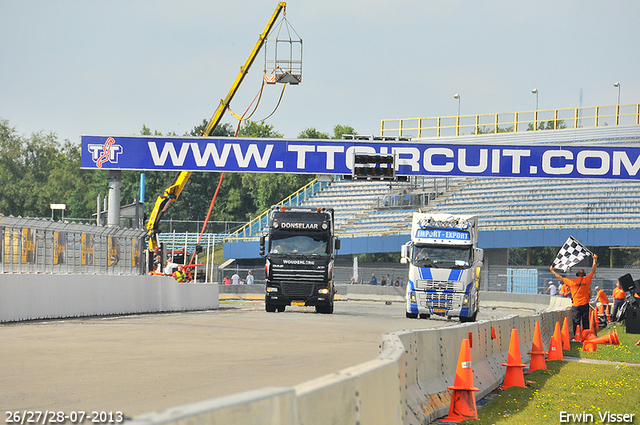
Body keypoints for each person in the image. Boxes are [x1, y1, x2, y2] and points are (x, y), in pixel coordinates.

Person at [550, 253, 598, 336]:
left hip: (576, 305)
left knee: (576, 321)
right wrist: (594, 260)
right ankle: (586, 335)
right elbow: (593, 271)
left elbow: (561, 278)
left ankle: (577, 335)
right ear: (583, 275)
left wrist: (553, 271)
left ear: (577, 274)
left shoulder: (572, 282)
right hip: (585, 304)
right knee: (585, 321)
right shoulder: (586, 280)